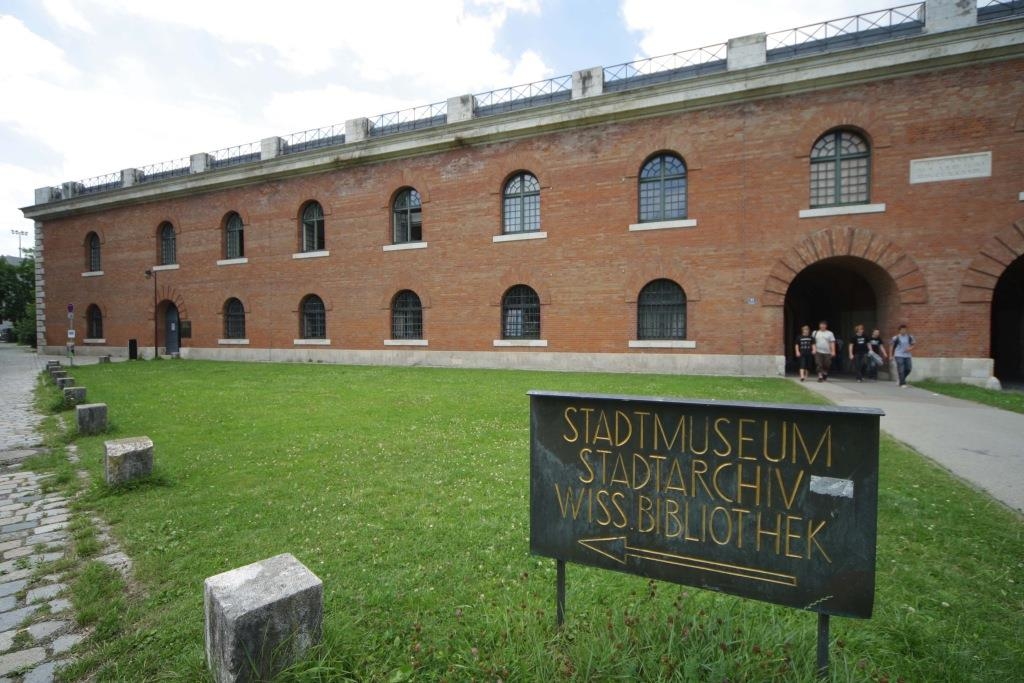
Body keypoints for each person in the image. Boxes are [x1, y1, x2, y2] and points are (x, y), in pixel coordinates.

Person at [890, 323, 916, 387]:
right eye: (902, 330)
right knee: (901, 368)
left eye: (905, 330)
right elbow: (891, 346)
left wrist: (910, 348)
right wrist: (890, 355)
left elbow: (913, 345)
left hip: (907, 355)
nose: (903, 331)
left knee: (908, 368)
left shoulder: (910, 337)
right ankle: (902, 383)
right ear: (899, 330)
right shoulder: (895, 338)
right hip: (898, 354)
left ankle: (901, 379)